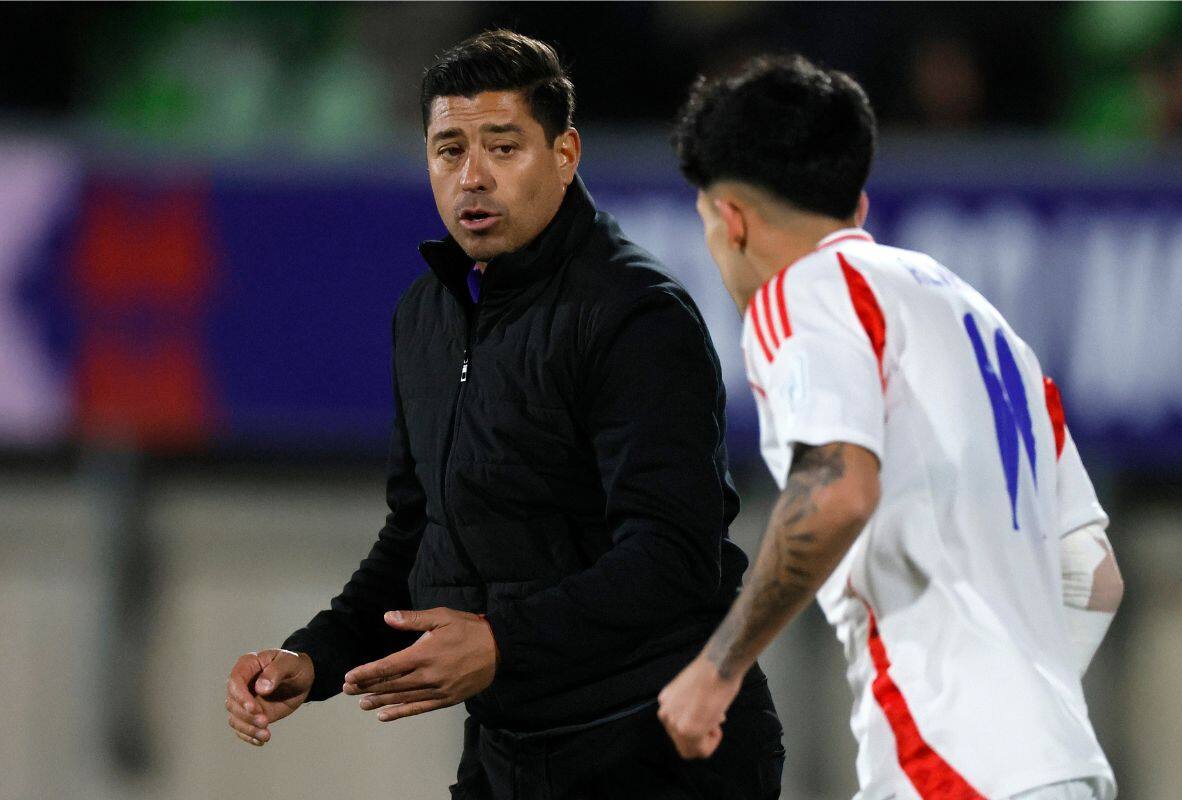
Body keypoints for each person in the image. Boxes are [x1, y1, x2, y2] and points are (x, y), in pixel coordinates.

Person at [223, 29, 785, 799]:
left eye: (504, 146)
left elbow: (672, 557)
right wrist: (313, 658)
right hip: (510, 752)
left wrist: (500, 642)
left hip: (661, 750)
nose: (473, 177)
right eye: (449, 150)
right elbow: (419, 533)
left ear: (565, 154)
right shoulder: (426, 315)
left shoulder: (635, 316)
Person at [656, 55, 1124, 800]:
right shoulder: (983, 320)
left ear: (731, 219)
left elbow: (839, 488)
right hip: (1057, 764)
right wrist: (1022, 725)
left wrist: (719, 669)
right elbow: (1093, 572)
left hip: (947, 765)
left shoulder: (799, 293)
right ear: (859, 206)